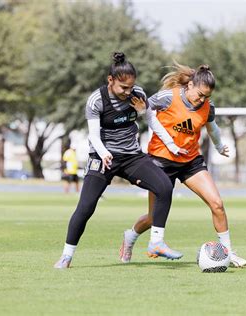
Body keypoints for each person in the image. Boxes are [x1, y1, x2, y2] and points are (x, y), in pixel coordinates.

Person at [54, 52, 184, 269]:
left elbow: (151, 119)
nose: (127, 92)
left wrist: (170, 144)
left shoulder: (138, 94)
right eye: (123, 88)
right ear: (110, 80)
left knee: (164, 187)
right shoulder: (97, 100)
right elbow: (94, 135)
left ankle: (156, 242)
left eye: (130, 87)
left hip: (131, 157)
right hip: (103, 156)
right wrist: (104, 152)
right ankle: (66, 256)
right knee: (86, 207)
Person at [119, 63, 246, 267]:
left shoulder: (206, 107)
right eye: (199, 94)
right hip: (161, 161)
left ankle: (228, 253)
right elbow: (145, 111)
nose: (202, 100)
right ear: (189, 86)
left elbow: (212, 128)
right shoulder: (167, 97)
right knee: (154, 218)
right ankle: (130, 237)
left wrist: (220, 146)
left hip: (190, 162)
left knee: (217, 204)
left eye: (206, 96)